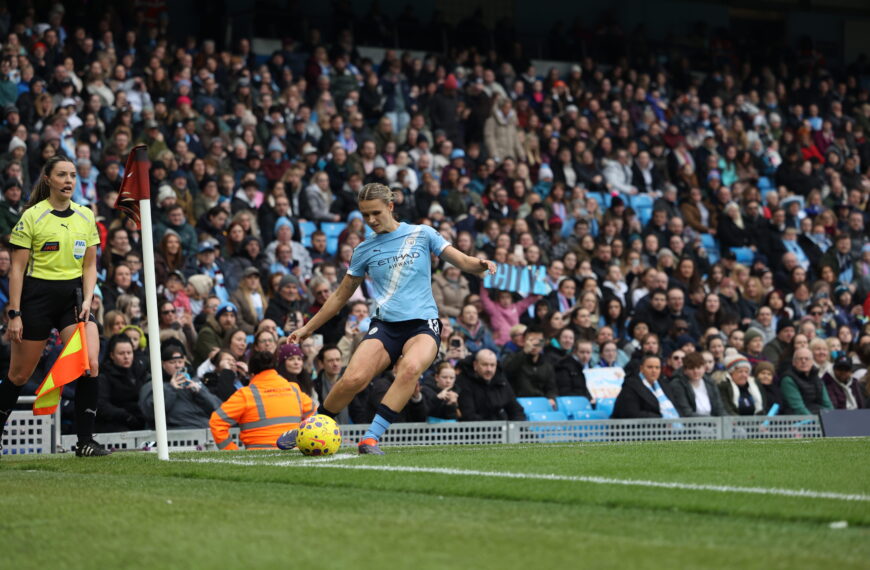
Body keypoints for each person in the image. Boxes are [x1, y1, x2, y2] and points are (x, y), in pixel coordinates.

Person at [287, 183, 496, 454]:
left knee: (410, 369)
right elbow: (339, 297)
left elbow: (463, 261)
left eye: (376, 212)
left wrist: (480, 264)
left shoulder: (422, 233)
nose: (371, 220)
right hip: (385, 326)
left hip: (422, 324)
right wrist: (307, 328)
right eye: (365, 215)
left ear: (390, 206)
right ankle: (310, 427)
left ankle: (371, 438)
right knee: (353, 379)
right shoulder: (364, 249)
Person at [0, 156, 107, 456]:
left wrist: (88, 298)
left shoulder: (85, 216)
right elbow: (17, 269)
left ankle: (85, 442)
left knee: (90, 364)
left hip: (73, 297)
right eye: (62, 175)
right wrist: (15, 314)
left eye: (72, 175)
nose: (69, 180)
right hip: (37, 298)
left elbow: (90, 266)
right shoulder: (32, 217)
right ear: (48, 179)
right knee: (19, 375)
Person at [211, 350, 314, 450]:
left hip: (258, 455)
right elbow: (313, 416)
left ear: (251, 375)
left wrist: (232, 451)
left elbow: (217, 422)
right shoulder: (294, 389)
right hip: (293, 453)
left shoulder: (246, 394)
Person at [140, 346, 222, 429]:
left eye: (180, 362)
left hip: (204, 429)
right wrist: (171, 389)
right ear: (163, 364)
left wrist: (200, 392)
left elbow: (218, 409)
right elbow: (150, 413)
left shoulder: (195, 381)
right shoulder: (153, 385)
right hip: (178, 432)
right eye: (172, 362)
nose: (177, 366)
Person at [96, 334, 149, 432]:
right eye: (121, 353)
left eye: (129, 353)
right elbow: (102, 406)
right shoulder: (103, 376)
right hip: (114, 425)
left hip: (140, 421)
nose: (126, 357)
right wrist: (127, 417)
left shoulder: (140, 371)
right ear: (112, 355)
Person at [455, 350, 525, 421]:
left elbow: (516, 410)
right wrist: (494, 427)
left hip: (501, 425)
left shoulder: (501, 381)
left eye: (492, 365)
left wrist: (516, 425)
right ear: (475, 365)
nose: (489, 369)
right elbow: (468, 415)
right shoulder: (463, 382)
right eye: (485, 365)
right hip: (475, 427)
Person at [502, 326, 558, 407]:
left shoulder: (547, 364)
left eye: (539, 341)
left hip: (542, 404)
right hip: (520, 404)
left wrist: (551, 398)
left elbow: (551, 388)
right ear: (524, 341)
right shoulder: (513, 357)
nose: (535, 344)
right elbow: (507, 371)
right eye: (531, 340)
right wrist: (524, 352)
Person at [611, 355, 679, 419]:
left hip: (667, 425)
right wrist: (661, 419)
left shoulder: (664, 385)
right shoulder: (630, 386)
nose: (654, 370)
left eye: (657, 367)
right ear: (641, 368)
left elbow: (676, 408)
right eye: (650, 367)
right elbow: (631, 413)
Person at [668, 351, 725, 417]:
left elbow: (720, 408)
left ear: (704, 368)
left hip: (713, 421)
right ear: (685, 370)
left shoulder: (710, 382)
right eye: (691, 368)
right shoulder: (677, 384)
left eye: (698, 367)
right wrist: (711, 420)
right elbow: (686, 412)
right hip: (691, 422)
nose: (696, 371)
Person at [780, 347, 833, 415]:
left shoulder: (817, 379)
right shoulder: (788, 380)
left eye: (807, 359)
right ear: (794, 362)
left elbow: (827, 404)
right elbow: (798, 408)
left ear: (812, 362)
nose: (803, 361)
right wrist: (813, 420)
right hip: (798, 419)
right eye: (800, 359)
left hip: (819, 415)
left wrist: (831, 417)